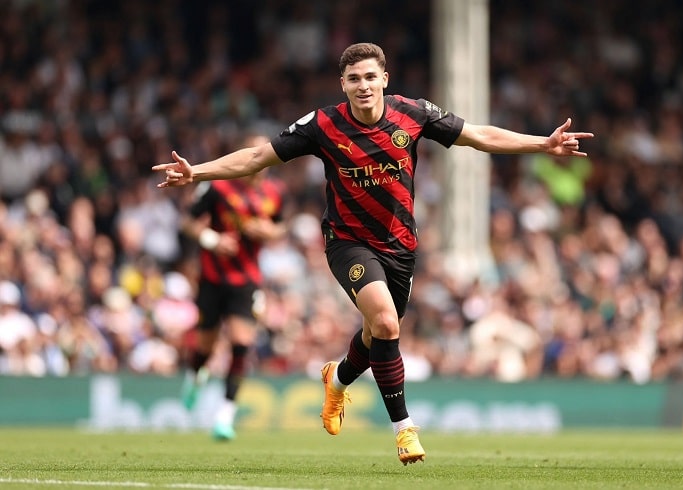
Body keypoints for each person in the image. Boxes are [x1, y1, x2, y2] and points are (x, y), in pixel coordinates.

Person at [153, 42, 594, 463]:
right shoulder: (323, 125)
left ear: (384, 77)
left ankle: (338, 378)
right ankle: (404, 428)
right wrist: (197, 174)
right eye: (352, 79)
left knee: (376, 334)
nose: (362, 85)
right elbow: (256, 157)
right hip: (347, 242)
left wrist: (542, 143)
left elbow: (477, 135)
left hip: (400, 247)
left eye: (369, 76)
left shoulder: (413, 113)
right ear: (342, 84)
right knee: (384, 321)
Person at [178, 133, 287, 441]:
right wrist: (213, 240)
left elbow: (281, 226)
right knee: (205, 347)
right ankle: (195, 374)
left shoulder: (275, 192)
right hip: (213, 278)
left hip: (247, 280)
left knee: (241, 343)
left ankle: (224, 416)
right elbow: (187, 222)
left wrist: (269, 231)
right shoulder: (218, 186)